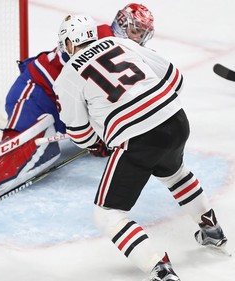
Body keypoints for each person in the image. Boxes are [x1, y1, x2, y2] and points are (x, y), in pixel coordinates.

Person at [53, 14, 228, 281]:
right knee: (175, 173)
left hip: (138, 138)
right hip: (176, 119)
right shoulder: (119, 43)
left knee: (107, 214)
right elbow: (175, 77)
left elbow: (79, 133)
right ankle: (212, 231)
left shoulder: (67, 75)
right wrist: (153, 108)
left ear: (68, 42)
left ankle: (159, 269)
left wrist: (99, 142)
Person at [0, 4, 156, 209]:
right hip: (37, 91)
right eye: (137, 31)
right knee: (25, 143)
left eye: (143, 33)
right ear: (123, 24)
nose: (140, 38)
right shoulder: (101, 37)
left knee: (45, 152)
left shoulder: (123, 48)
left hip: (66, 102)